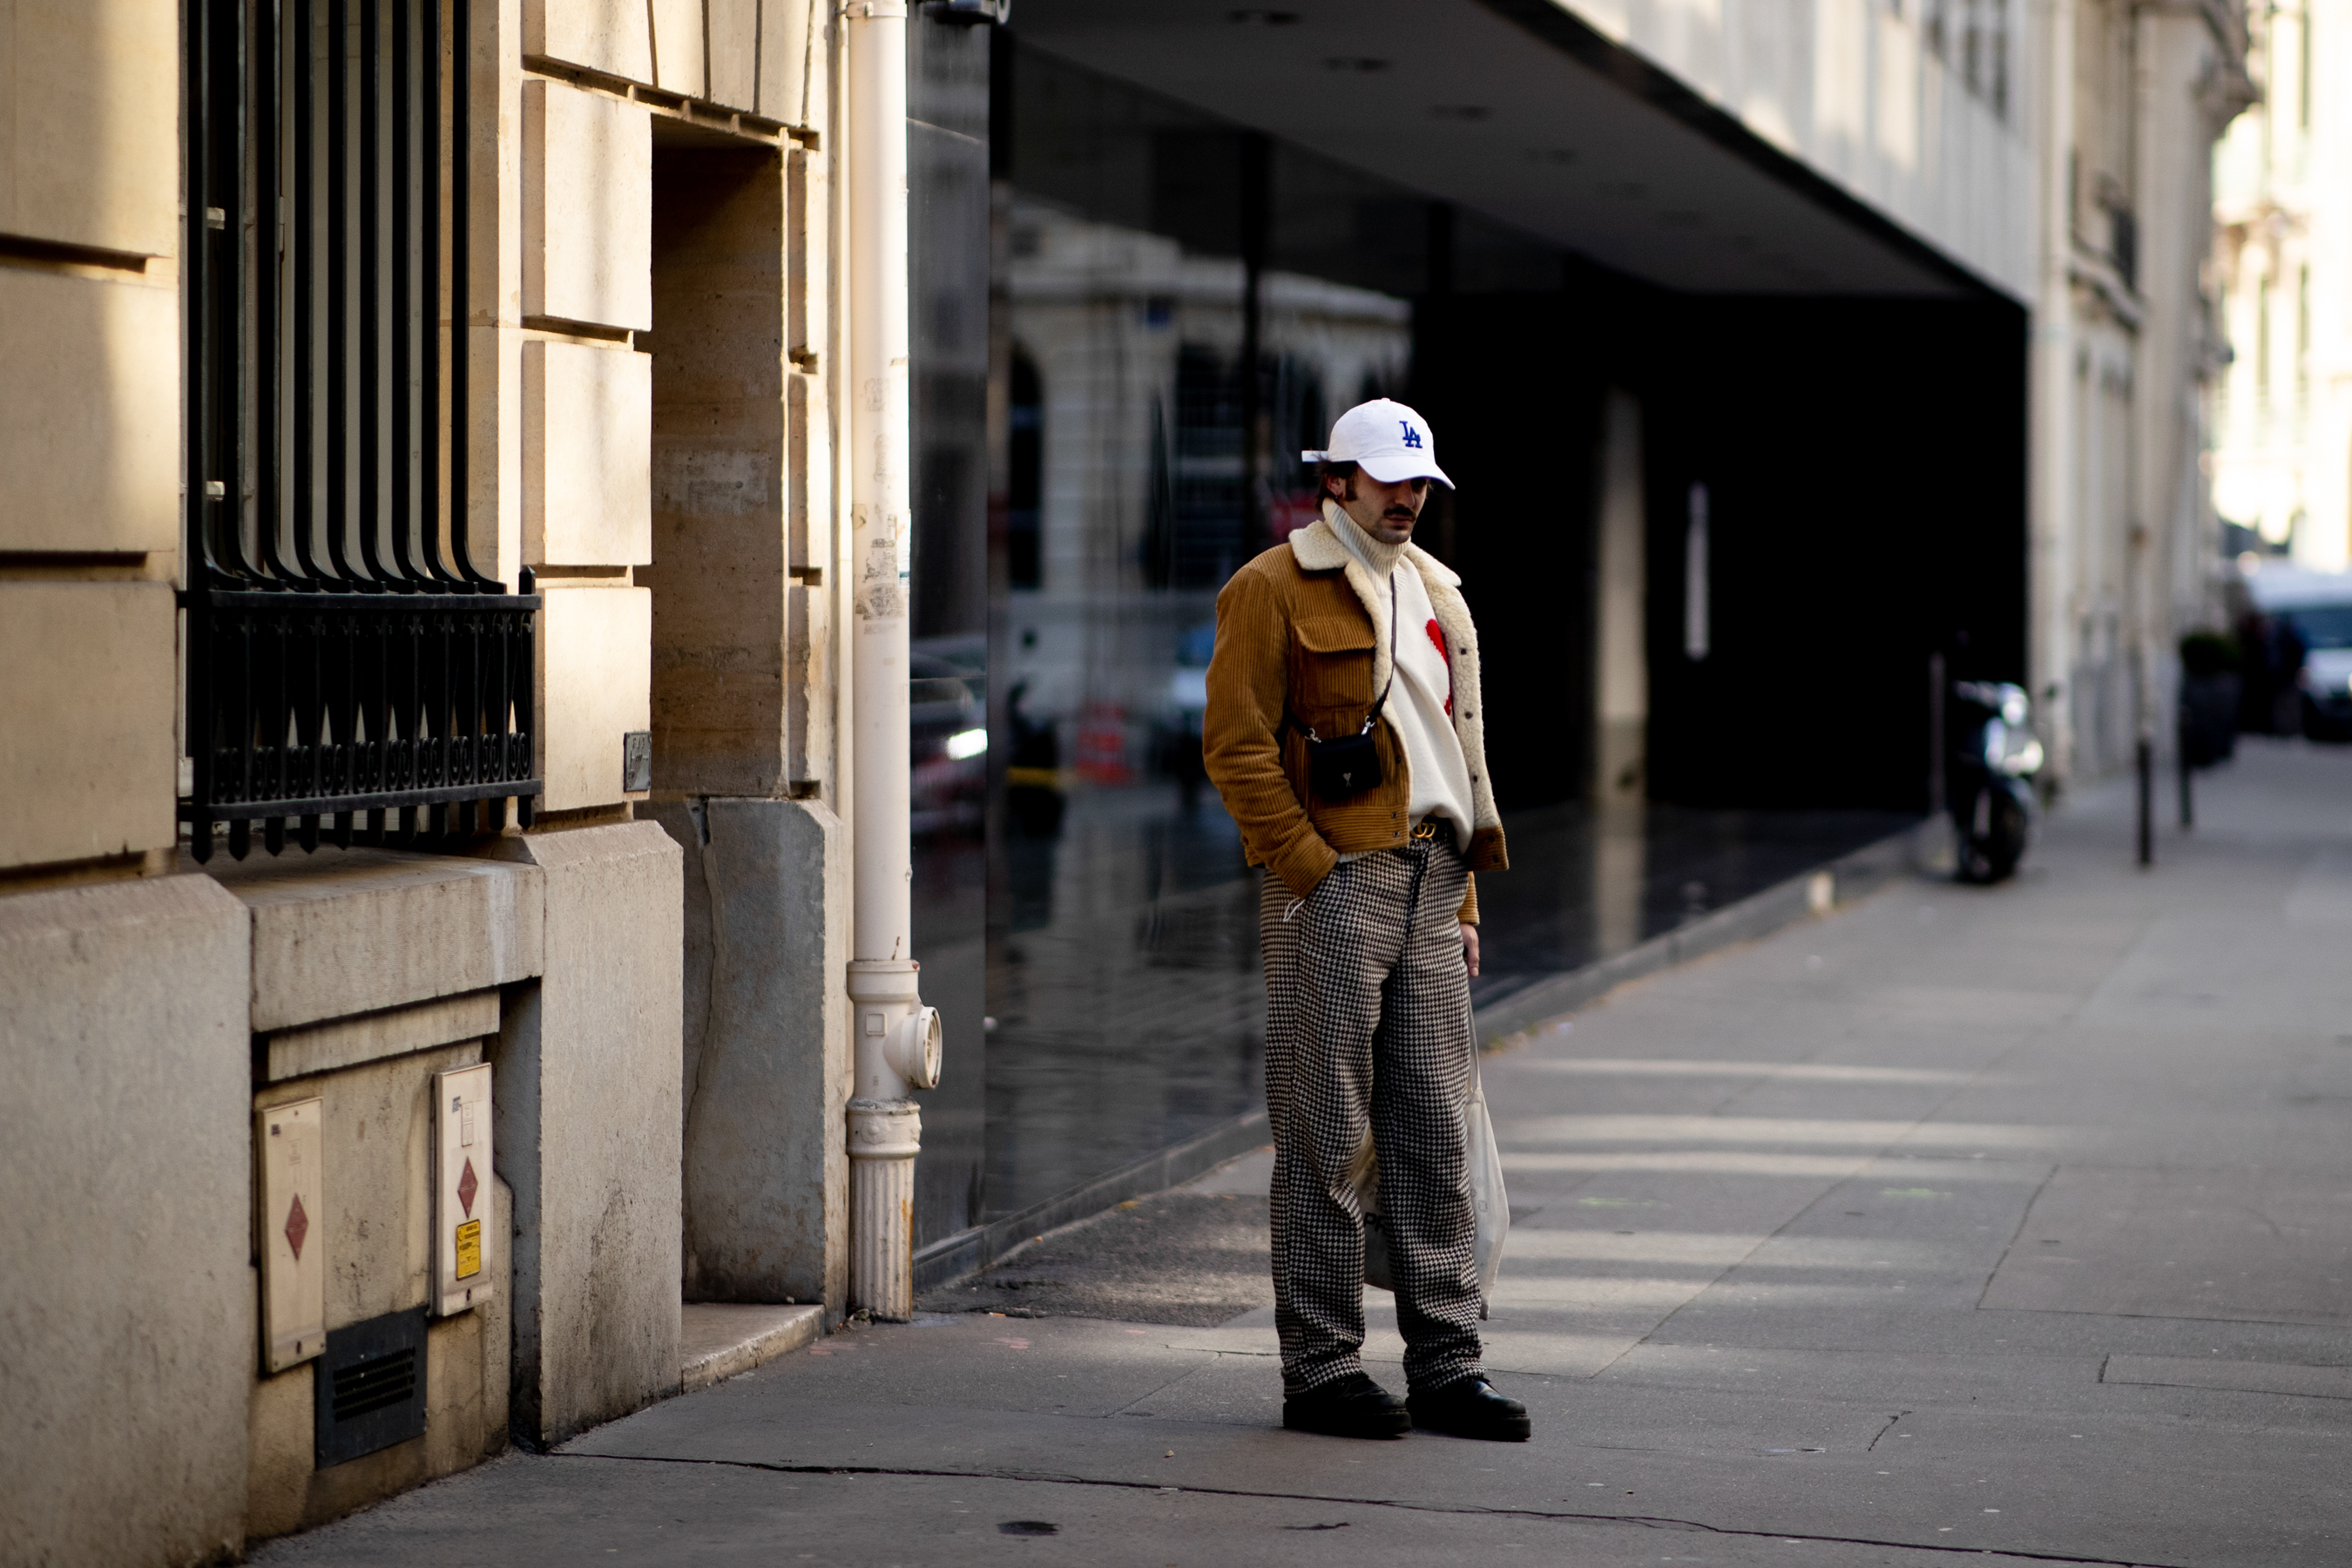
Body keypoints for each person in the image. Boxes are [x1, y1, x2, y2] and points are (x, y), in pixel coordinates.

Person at [1202, 399, 1524, 1442]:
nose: (1408, 497)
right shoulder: (1268, 587)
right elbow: (1236, 747)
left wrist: (1466, 894)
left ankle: (1447, 1366)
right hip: (1334, 887)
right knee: (1324, 1134)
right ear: (1335, 479)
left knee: (1433, 1133)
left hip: (1434, 883)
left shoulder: (1441, 590)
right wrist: (1308, 870)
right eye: (1387, 479)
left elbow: (1456, 757)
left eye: (1420, 480)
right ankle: (1323, 1370)